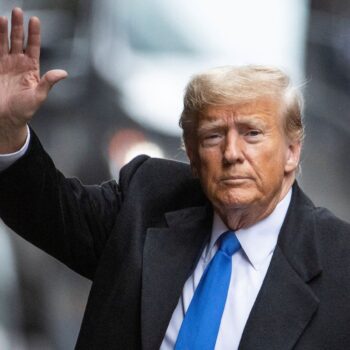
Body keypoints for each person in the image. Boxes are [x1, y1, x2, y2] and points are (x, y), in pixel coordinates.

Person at [0, 7, 350, 350]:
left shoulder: (339, 262)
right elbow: (47, 209)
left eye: (252, 134)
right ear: (193, 157)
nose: (231, 153)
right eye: (213, 136)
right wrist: (8, 131)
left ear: (292, 151)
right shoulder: (147, 199)